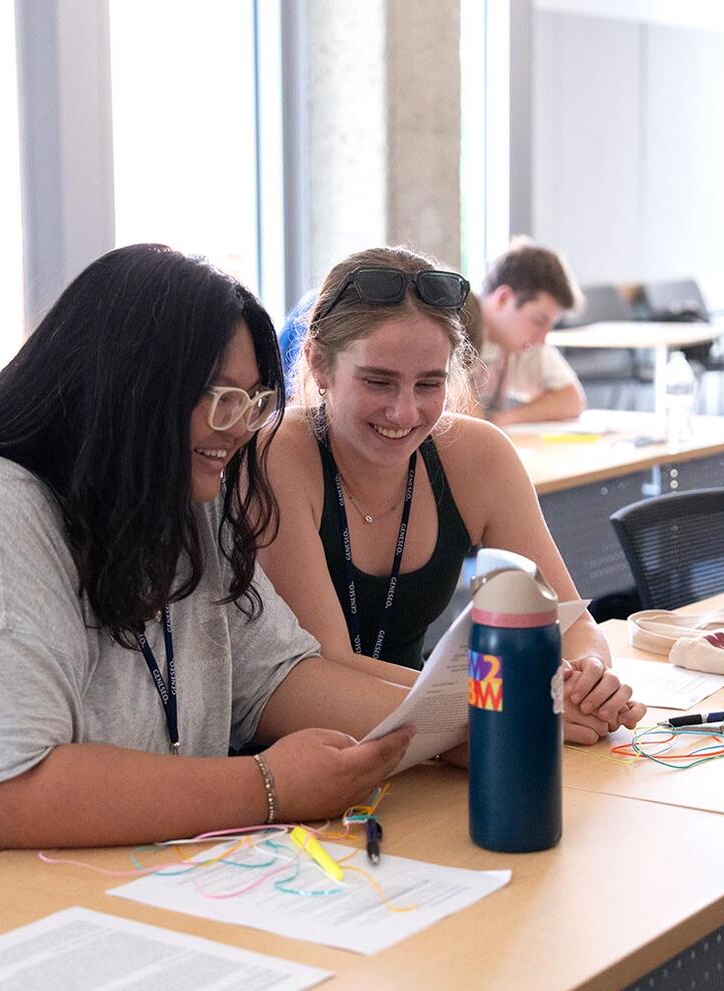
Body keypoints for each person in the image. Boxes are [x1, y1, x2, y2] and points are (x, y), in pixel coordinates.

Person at [0, 244, 415, 909]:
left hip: (74, 887)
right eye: (219, 398)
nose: (239, 427)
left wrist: (455, 725)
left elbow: (275, 676)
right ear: (127, 388)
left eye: (253, 400)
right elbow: (3, 792)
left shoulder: (183, 497)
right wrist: (269, 786)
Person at [258, 245, 645, 746]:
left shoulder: (477, 454)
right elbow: (322, 667)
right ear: (319, 364)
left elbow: (570, 623)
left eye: (428, 384)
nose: (404, 412)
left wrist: (587, 678)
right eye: (379, 381)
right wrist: (505, 703)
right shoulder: (277, 454)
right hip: (309, 754)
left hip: (427, 743)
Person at [476, 237, 586, 426]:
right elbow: (471, 424)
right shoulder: (457, 333)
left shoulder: (518, 340)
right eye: (538, 321)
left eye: (549, 325)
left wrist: (504, 419)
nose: (542, 339)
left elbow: (572, 400)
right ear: (503, 299)